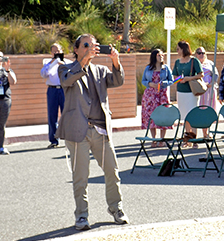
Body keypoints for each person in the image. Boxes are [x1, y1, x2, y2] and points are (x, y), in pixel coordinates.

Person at [58, 34, 126, 229]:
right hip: (78, 130)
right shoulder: (66, 68)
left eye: (93, 45)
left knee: (112, 171)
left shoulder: (101, 71)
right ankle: (81, 215)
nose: (90, 48)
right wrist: (83, 63)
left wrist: (116, 62)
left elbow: (117, 80)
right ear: (77, 49)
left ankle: (116, 207)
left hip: (100, 130)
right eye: (86, 45)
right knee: (80, 176)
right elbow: (66, 81)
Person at [172, 41, 203, 140]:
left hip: (191, 92)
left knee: (192, 115)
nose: (177, 51)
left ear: (183, 49)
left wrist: (189, 78)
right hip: (181, 92)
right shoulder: (177, 62)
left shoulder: (194, 61)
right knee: (185, 116)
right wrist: (179, 80)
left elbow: (200, 74)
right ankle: (187, 138)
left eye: (178, 49)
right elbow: (175, 76)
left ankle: (194, 138)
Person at [140, 48, 174, 137]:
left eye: (162, 55)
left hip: (162, 95)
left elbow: (172, 80)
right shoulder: (148, 68)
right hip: (150, 95)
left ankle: (162, 138)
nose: (161, 57)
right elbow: (143, 81)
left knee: (163, 115)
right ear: (154, 56)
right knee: (151, 116)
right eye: (159, 55)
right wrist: (149, 84)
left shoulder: (166, 68)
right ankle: (153, 138)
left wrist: (164, 83)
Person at [41, 42, 66, 149]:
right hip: (52, 90)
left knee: (67, 114)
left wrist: (62, 64)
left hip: (64, 90)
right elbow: (44, 74)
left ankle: (70, 138)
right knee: (52, 116)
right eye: (54, 51)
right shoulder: (47, 62)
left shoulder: (67, 62)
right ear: (51, 53)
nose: (56, 53)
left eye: (58, 51)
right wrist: (53, 63)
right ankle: (54, 140)